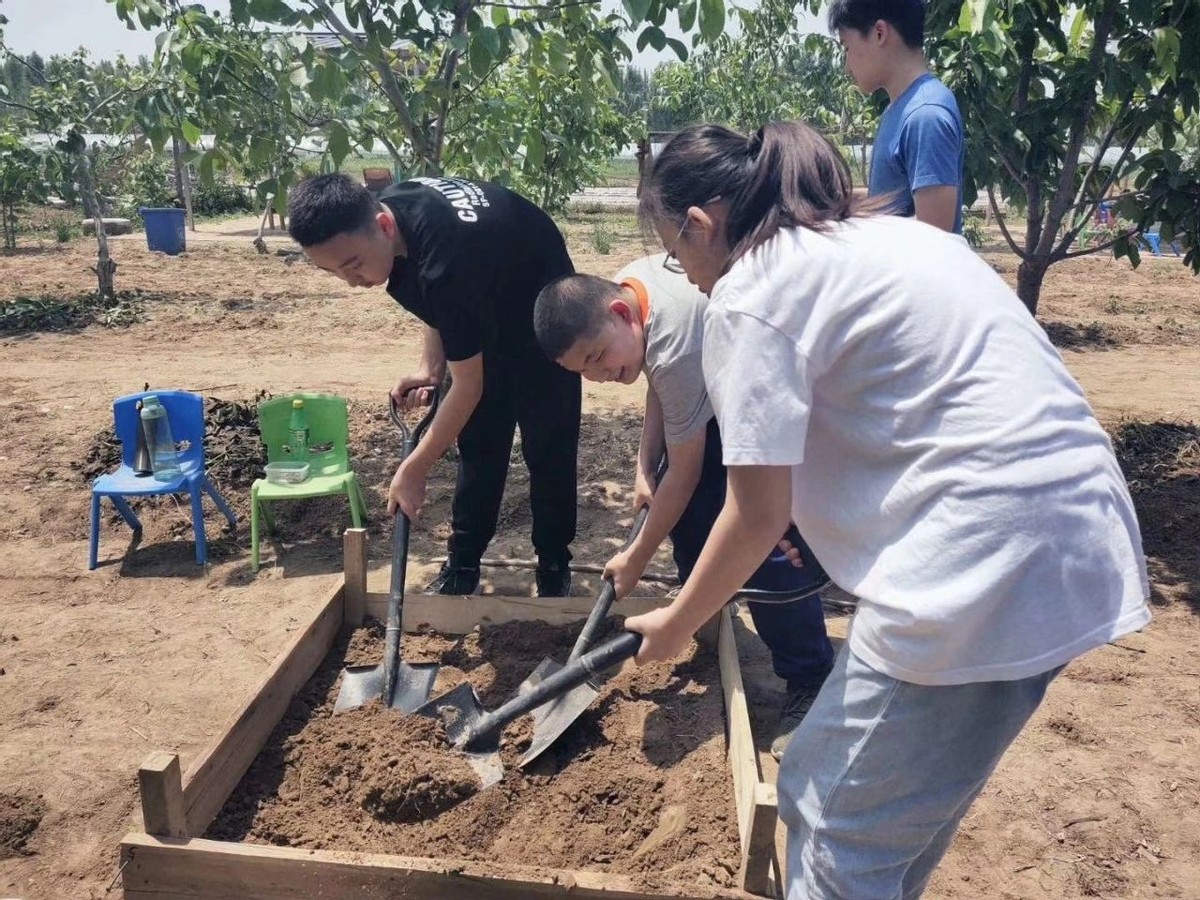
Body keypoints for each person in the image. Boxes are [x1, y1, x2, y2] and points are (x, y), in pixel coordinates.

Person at [624, 120, 1150, 899]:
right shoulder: (890, 238)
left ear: (702, 225)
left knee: (837, 824)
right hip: (1077, 537)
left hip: (980, 560)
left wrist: (676, 622)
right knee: (848, 798)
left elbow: (753, 513)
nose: (684, 272)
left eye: (676, 250)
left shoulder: (749, 292)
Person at [534, 260, 835, 758]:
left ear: (619, 313)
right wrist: (644, 462)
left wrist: (635, 556)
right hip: (717, 392)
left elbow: (686, 465)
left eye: (598, 358)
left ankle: (809, 676)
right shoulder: (633, 289)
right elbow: (659, 380)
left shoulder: (674, 341)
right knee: (694, 523)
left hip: (775, 401)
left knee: (761, 545)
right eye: (584, 371)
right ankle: (705, 619)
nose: (601, 376)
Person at [287, 173, 580, 597]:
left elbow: (467, 383)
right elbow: (440, 308)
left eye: (353, 265)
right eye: (334, 272)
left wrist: (414, 468)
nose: (352, 281)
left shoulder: (449, 261)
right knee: (480, 447)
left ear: (384, 227)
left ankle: (553, 566)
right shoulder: (389, 210)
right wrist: (430, 366)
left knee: (548, 450)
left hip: (546, 322)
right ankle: (462, 565)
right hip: (485, 297)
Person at [829, 0, 966, 233]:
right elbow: (893, 202)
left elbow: (935, 241)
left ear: (880, 33)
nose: (846, 67)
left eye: (846, 48)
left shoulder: (926, 115)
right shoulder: (901, 108)